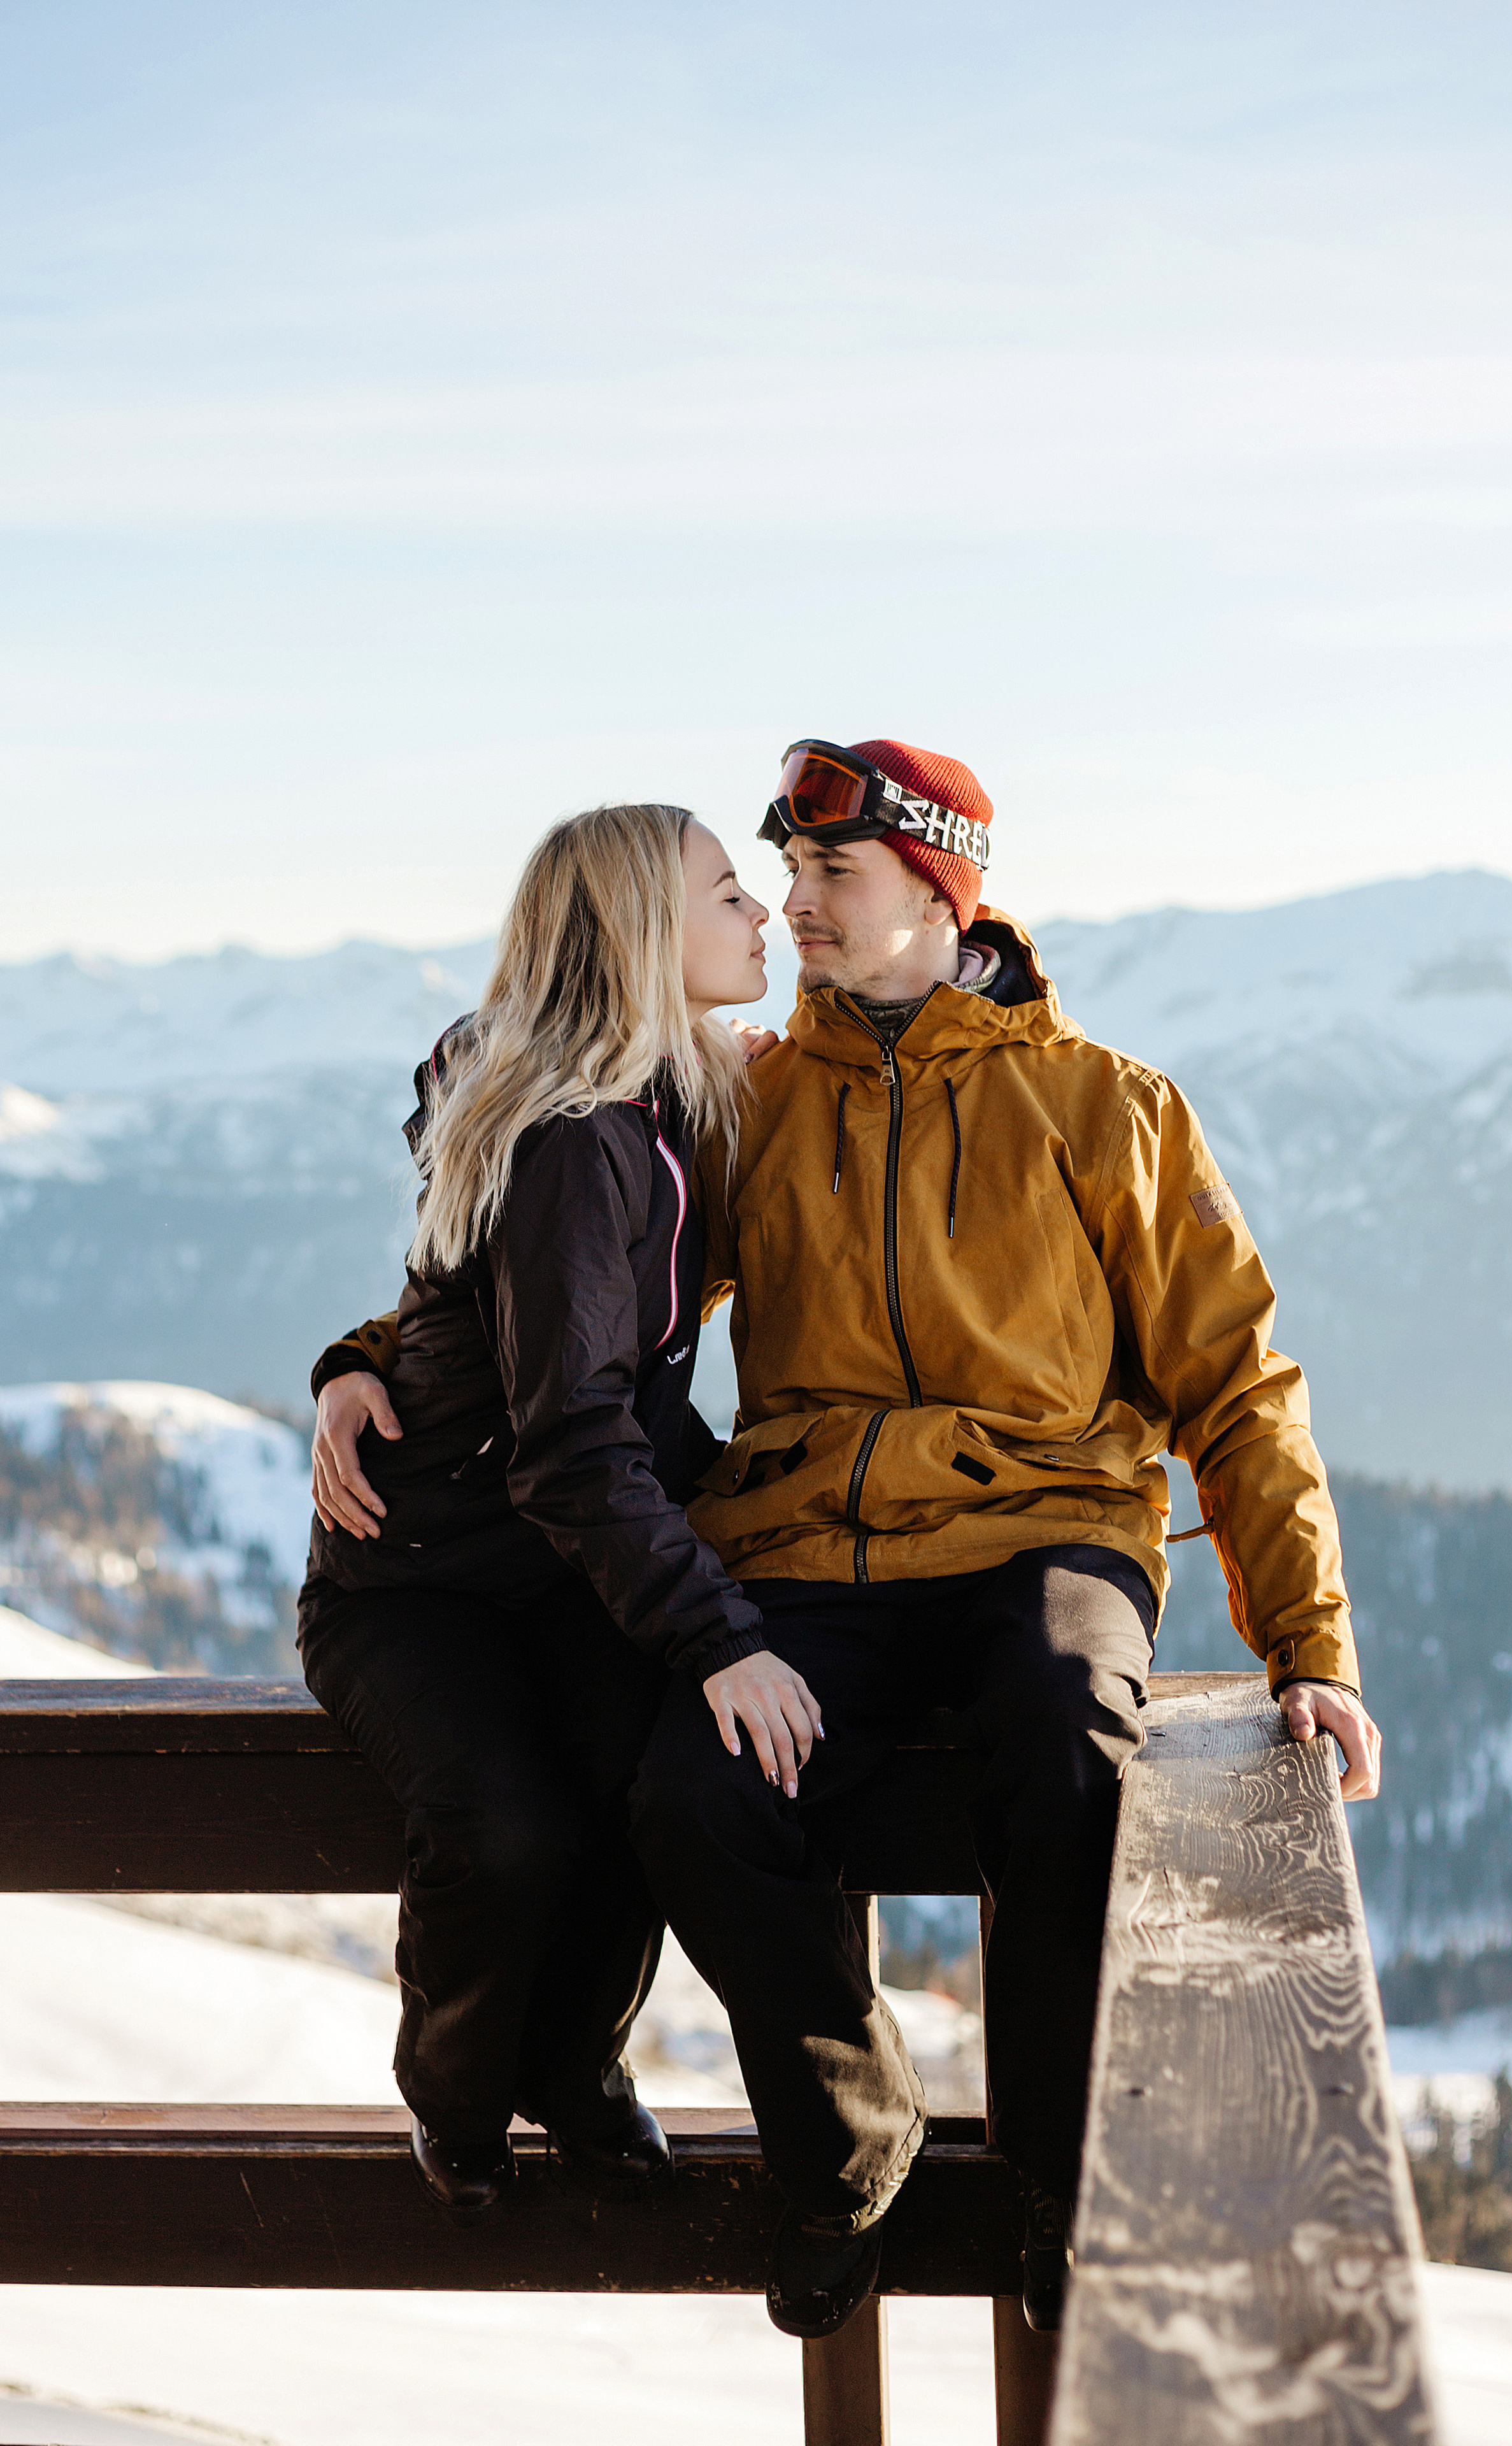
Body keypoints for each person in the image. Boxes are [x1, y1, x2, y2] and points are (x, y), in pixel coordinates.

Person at [318, 738, 1381, 2341]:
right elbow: (545, 1282)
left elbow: (1236, 1387)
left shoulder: (1102, 1109)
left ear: (941, 892)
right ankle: (845, 2154)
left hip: (1045, 1533)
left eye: (833, 872)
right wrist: (360, 1363)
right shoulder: (748, 1099)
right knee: (692, 1792)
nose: (796, 902)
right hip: (812, 1540)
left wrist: (1310, 1648)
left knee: (1064, 1745)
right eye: (784, 873)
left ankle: (1064, 2182)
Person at [298, 800, 829, 2236]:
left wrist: (354, 1358)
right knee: (510, 1830)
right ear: (646, 933)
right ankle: (458, 2091)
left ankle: (572, 2068)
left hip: (560, 1560)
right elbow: (571, 1435)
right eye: (730, 894)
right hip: (418, 1577)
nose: (760, 915)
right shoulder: (576, 1138)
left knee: (653, 1788)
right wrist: (720, 1636)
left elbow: (466, 1306)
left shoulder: (657, 1093)